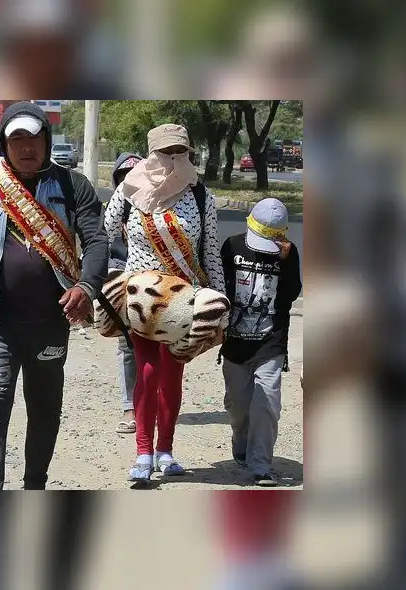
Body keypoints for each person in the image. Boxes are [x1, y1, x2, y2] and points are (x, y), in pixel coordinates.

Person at [0, 101, 108, 490]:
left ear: (47, 140)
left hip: (50, 324)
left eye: (34, 138)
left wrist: (87, 286)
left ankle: (35, 486)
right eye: (17, 139)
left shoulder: (72, 185)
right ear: (4, 144)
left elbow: (96, 239)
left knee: (45, 409)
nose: (27, 147)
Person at [103, 123, 225, 482]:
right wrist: (105, 277)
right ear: (151, 153)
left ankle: (165, 450)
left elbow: (211, 252)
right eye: (164, 153)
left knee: (172, 375)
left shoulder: (202, 197)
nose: (172, 160)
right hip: (140, 300)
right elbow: (102, 232)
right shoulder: (128, 191)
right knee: (147, 370)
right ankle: (142, 452)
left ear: (188, 153)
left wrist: (220, 305)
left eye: (179, 152)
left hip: (181, 303)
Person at [219, 198, 302, 487]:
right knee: (237, 404)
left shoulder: (288, 254)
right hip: (235, 342)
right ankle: (240, 438)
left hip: (271, 342)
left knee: (267, 403)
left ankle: (261, 465)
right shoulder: (232, 246)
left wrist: (287, 262)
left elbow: (291, 294)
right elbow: (218, 289)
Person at [106, 152, 143, 434]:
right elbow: (98, 249)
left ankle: (156, 405)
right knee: (128, 347)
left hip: (157, 288)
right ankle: (130, 407)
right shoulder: (110, 215)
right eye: (123, 178)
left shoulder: (162, 208)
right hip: (124, 286)